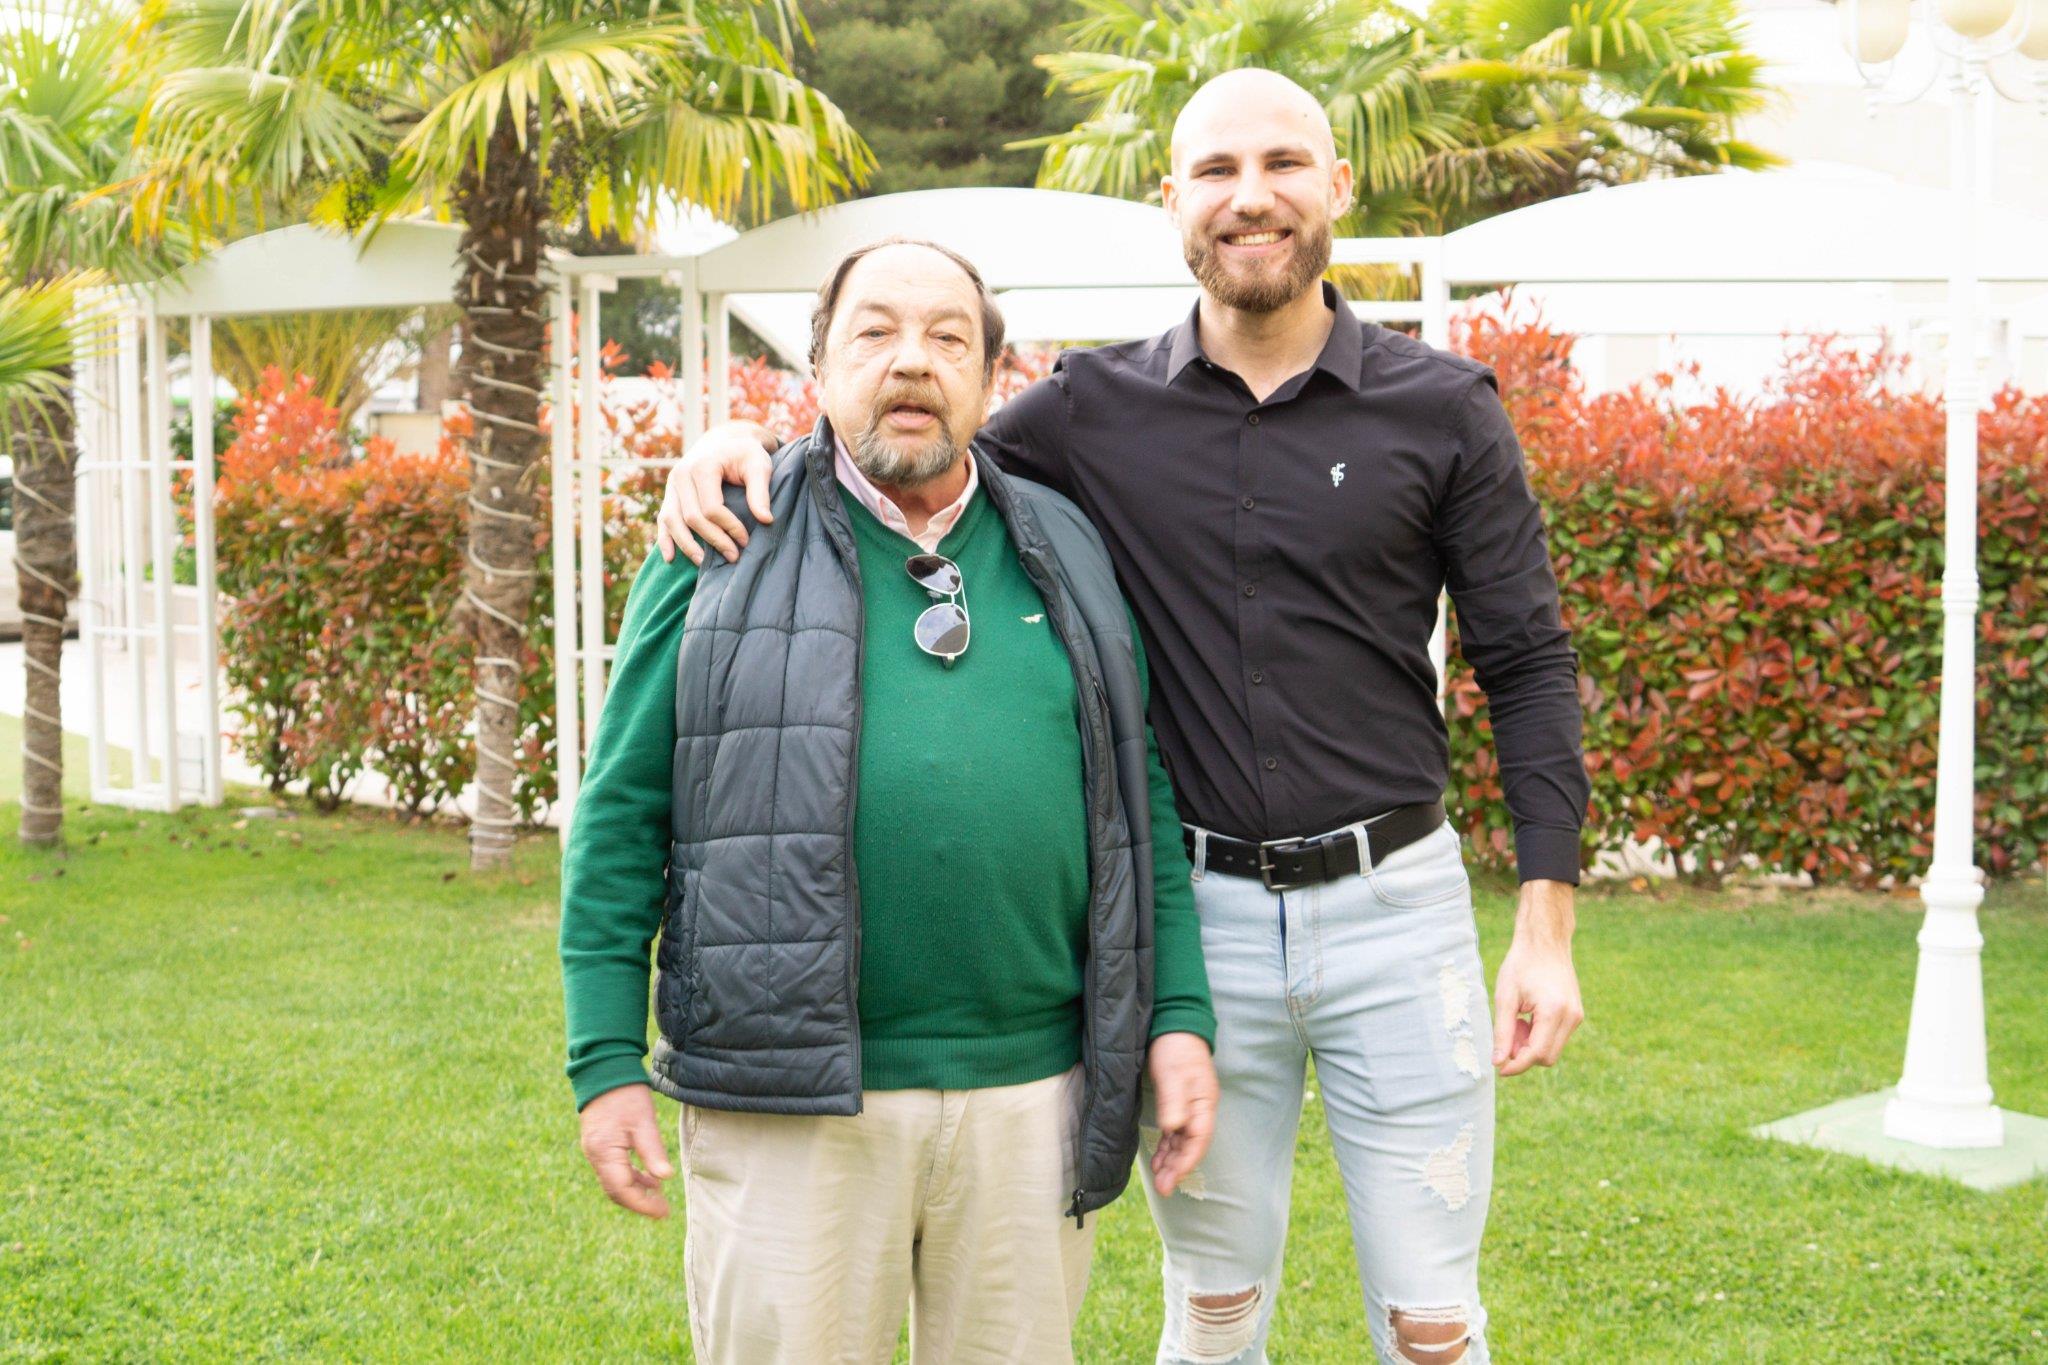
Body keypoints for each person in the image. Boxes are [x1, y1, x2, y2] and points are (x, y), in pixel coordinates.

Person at [653, 69, 1589, 1365]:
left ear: (1337, 188)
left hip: (1401, 911)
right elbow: (902, 422)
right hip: (1200, 919)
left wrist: (1544, 925)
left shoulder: (1443, 410)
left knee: (1433, 1320)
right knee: (1210, 1309)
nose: (1250, 197)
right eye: (1215, 170)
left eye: (1282, 164)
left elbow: (1530, 663)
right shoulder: (1094, 413)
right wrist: (730, 447)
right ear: (1174, 201)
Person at [558, 237, 1218, 1364]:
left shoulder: (1063, 544)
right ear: (817, 363)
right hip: (790, 1099)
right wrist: (604, 1057)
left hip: (1030, 1093)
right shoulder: (718, 540)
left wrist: (1178, 1019)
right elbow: (621, 812)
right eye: (874, 331)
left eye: (947, 337)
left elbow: (1133, 801)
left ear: (991, 377)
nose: (911, 361)